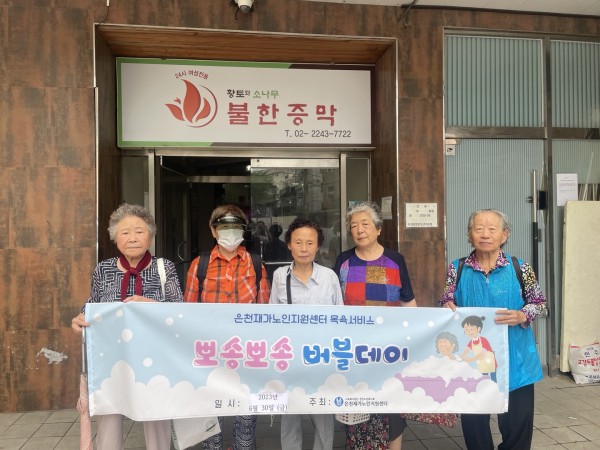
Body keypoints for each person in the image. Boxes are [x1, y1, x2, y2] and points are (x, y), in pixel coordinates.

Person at [71, 203, 183, 450]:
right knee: (109, 419)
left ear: (150, 236)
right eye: (125, 232)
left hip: (155, 357)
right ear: (115, 238)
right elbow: (92, 304)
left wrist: (150, 305)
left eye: (139, 231)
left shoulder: (164, 268)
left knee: (156, 418)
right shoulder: (104, 269)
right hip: (112, 356)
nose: (132, 238)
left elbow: (179, 312)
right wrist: (80, 317)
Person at [439, 208, 546, 450]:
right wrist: (447, 305)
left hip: (516, 360)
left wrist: (523, 314)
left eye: (492, 229)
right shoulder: (457, 268)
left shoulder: (520, 268)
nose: (485, 234)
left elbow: (539, 303)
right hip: (473, 361)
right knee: (474, 424)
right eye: (478, 229)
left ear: (505, 234)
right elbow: (446, 299)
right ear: (469, 234)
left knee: (517, 425)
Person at [183, 204, 270, 450]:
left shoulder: (255, 264)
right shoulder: (200, 265)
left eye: (236, 228)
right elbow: (188, 311)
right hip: (211, 355)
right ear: (213, 231)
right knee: (212, 418)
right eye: (224, 228)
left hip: (247, 354)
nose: (230, 234)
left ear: (243, 231)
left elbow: (264, 311)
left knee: (246, 418)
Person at [333, 201, 416, 450]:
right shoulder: (344, 261)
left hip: (389, 348)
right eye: (354, 226)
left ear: (378, 229)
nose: (359, 230)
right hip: (354, 350)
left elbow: (408, 301)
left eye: (365, 224)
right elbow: (334, 304)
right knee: (358, 407)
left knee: (391, 409)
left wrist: (414, 338)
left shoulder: (395, 260)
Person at [269, 218, 343, 450]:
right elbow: (272, 318)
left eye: (310, 243)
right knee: (290, 414)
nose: (304, 248)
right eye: (298, 242)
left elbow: (340, 319)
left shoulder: (329, 277)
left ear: (318, 246)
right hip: (290, 357)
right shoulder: (280, 276)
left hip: (321, 357)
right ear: (289, 245)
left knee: (322, 413)